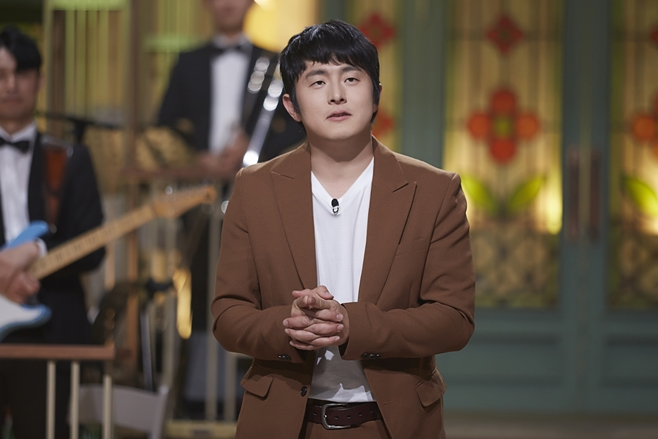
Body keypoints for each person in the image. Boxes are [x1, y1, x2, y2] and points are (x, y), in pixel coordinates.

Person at [211, 19, 476, 439]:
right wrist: (286, 325)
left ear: (376, 95)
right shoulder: (255, 188)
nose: (337, 94)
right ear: (292, 106)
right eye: (317, 82)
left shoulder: (434, 191)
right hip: (282, 423)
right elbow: (228, 314)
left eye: (351, 78)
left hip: (393, 425)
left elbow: (454, 319)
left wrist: (352, 325)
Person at [0, 26, 105, 438]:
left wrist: (37, 251)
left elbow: (93, 247)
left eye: (21, 73)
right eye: (1, 74)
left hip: (51, 327)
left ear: (39, 80)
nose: (11, 85)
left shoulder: (72, 158)